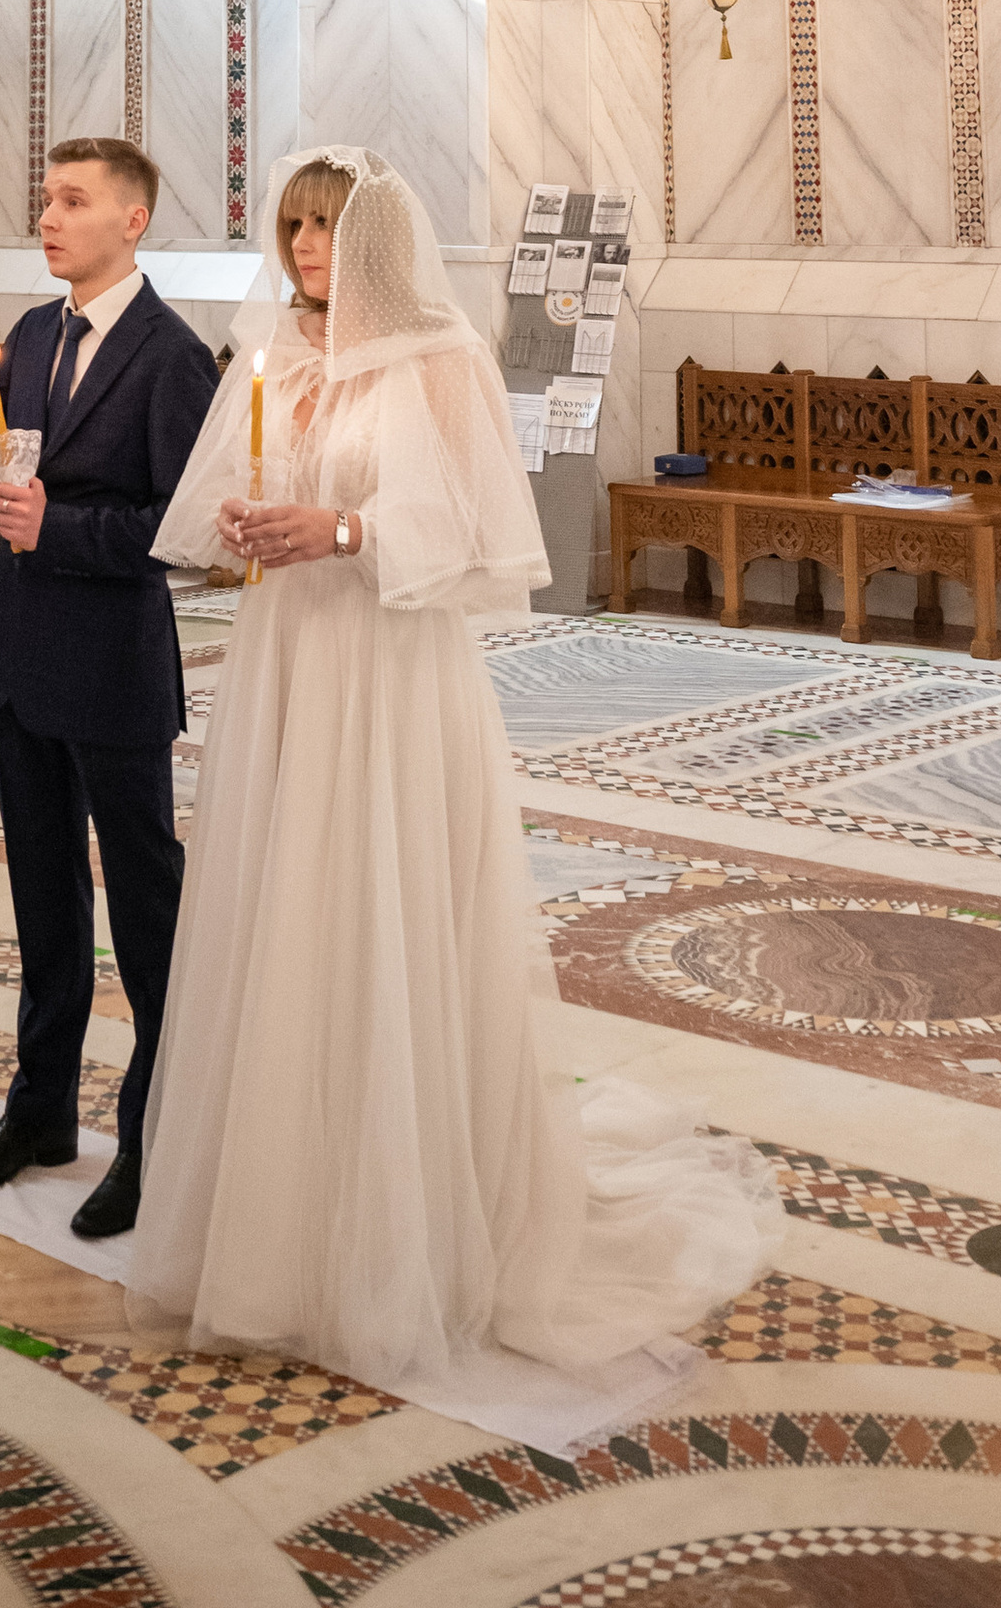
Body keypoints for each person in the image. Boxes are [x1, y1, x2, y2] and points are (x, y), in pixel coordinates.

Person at [132, 149, 775, 1421]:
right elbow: (207, 515)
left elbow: (490, 540)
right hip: (289, 667)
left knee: (384, 905)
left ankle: (412, 1225)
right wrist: (248, 526)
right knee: (287, 916)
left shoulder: (441, 360)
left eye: (327, 228)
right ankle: (280, 1222)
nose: (305, 250)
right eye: (291, 228)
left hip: (390, 674)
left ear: (377, 237)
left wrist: (350, 531)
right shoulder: (281, 360)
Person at [0, 137, 218, 1240]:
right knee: (41, 900)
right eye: (45, 197)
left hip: (114, 664)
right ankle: (39, 1112)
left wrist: (66, 528)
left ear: (131, 221)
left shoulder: (172, 357)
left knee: (144, 911)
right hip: (23, 657)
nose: (49, 216)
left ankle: (151, 1132)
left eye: (72, 200)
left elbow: (188, 526)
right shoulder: (32, 333)